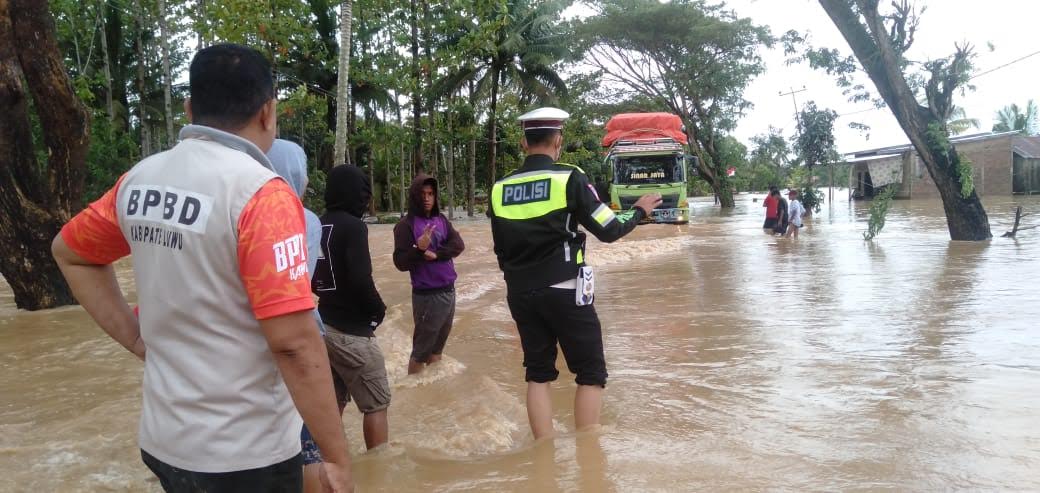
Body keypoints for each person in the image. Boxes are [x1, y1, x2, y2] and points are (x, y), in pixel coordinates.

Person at [50, 44, 353, 492]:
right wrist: (337, 458)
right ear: (268, 112)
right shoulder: (261, 194)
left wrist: (135, 337)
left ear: (190, 109)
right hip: (247, 454)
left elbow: (71, 252)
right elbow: (293, 343)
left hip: (164, 440)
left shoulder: (139, 180)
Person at [487, 107, 662, 439]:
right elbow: (609, 229)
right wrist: (639, 211)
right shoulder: (569, 177)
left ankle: (544, 452)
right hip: (566, 289)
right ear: (558, 140)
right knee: (591, 372)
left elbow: (500, 248)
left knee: (538, 373)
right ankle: (588, 453)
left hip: (520, 293)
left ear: (524, 143)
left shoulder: (501, 187)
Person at [312, 165, 391, 451]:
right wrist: (378, 309)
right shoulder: (354, 227)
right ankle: (378, 466)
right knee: (376, 403)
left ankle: (326, 460)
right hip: (353, 331)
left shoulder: (316, 224)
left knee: (333, 403)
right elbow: (360, 278)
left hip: (322, 326)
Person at [267, 139, 328, 493]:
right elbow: (298, 283)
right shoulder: (306, 219)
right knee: (309, 446)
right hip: (298, 338)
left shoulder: (234, 209)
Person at [392, 173, 465, 375]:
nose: (426, 198)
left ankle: (431, 389)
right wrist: (419, 249)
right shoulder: (405, 225)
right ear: (415, 196)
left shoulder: (441, 219)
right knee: (420, 353)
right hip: (427, 296)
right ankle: (412, 388)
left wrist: (437, 254)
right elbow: (400, 262)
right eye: (422, 194)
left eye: (431, 194)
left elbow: (458, 245)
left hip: (449, 291)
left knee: (437, 350)